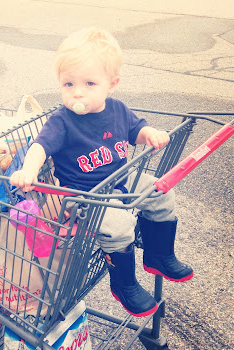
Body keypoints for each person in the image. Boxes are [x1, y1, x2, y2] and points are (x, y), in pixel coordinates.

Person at [10, 27, 193, 317]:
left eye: (89, 83)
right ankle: (124, 284)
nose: (77, 92)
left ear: (112, 84)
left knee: (161, 192)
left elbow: (136, 130)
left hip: (121, 179)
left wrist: (150, 134)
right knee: (119, 224)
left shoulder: (118, 109)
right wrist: (28, 170)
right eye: (68, 84)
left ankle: (158, 255)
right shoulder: (62, 121)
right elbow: (39, 147)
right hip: (85, 195)